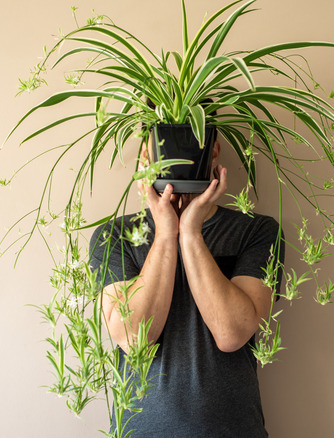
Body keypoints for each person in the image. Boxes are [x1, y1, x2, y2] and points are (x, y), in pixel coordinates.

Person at [89, 135, 284, 438]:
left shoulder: (258, 232)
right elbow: (134, 339)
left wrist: (191, 233)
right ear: (145, 155)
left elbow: (231, 334)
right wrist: (166, 233)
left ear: (214, 151)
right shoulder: (114, 236)